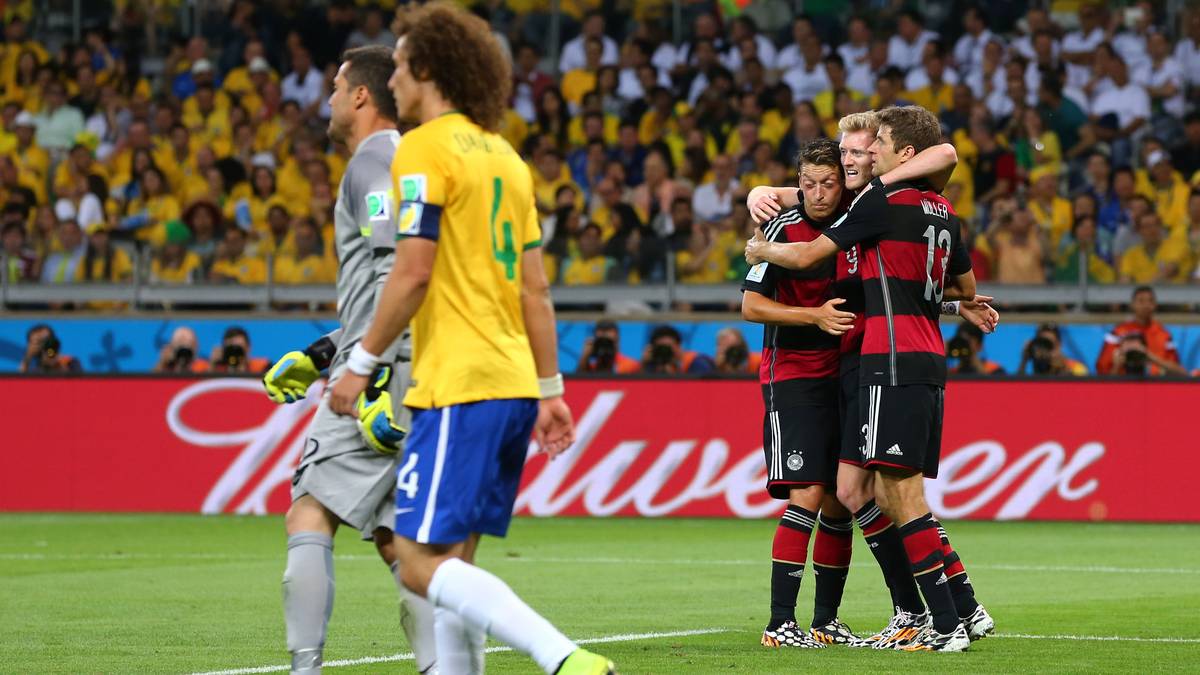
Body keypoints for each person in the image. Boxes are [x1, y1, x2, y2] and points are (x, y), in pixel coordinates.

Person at [326, 7, 612, 674]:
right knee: (457, 565)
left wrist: (360, 361)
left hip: (459, 382)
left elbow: (412, 268)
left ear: (427, 69)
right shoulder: (507, 159)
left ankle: (563, 656)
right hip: (512, 380)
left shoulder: (423, 148)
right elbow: (535, 291)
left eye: (398, 63)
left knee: (417, 561)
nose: (392, 76)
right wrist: (550, 390)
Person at [745, 106, 996, 652]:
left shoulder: (879, 202)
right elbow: (956, 285)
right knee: (859, 489)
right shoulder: (941, 208)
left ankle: (938, 619)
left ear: (897, 154)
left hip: (886, 361)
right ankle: (958, 608)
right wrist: (958, 308)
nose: (861, 155)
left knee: (894, 493)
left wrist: (761, 247)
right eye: (851, 151)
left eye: (869, 146)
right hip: (903, 358)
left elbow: (812, 250)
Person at [256, 45, 437, 675]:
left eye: (336, 87)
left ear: (361, 95)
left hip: (381, 373)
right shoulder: (413, 161)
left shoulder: (372, 159)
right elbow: (402, 281)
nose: (329, 99)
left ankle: (304, 668)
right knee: (399, 544)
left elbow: (396, 268)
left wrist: (371, 366)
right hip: (414, 367)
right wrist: (323, 351)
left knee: (309, 508)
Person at [741, 139, 859, 649]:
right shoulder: (780, 229)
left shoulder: (855, 224)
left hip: (846, 375)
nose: (816, 193)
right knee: (807, 492)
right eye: (807, 184)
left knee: (839, 501)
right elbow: (751, 306)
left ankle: (825, 621)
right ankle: (778, 623)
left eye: (827, 183)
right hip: (793, 374)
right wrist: (813, 316)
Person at [1095, 286, 1186, 376]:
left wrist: (1148, 355)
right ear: (1132, 304)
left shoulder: (1164, 334)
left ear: (1155, 305)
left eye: (1150, 301)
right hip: (1124, 386)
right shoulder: (1117, 333)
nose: (1146, 305)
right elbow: (1102, 377)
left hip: (1155, 387)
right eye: (1141, 301)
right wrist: (1118, 365)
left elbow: (1180, 373)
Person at [640, 324, 715, 374]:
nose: (665, 352)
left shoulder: (696, 362)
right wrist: (643, 364)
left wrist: (675, 371)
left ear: (679, 347)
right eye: (661, 348)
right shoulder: (652, 363)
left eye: (669, 347)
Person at [1019, 324, 1089, 376]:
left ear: (1059, 345)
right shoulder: (1036, 365)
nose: (1046, 349)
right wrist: (1024, 361)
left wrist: (1063, 367)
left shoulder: (1076, 368)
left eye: (1050, 344)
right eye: (1042, 344)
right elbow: (1017, 391)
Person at [576, 319, 641, 374]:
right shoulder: (590, 368)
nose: (605, 346)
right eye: (601, 342)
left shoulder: (630, 365)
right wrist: (584, 357)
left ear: (618, 340)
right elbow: (577, 384)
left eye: (609, 342)